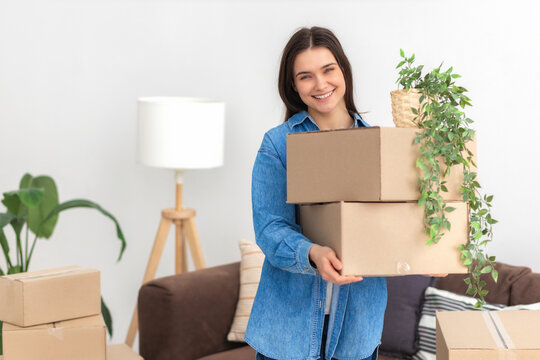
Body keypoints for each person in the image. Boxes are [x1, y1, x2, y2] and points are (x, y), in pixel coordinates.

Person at [244, 26, 383, 360]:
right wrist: (313, 254)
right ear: (293, 85)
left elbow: (391, 225)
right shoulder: (278, 145)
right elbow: (269, 228)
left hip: (357, 333)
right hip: (286, 332)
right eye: (305, 76)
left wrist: (429, 249)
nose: (320, 85)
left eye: (328, 70)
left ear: (343, 70)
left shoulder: (379, 146)